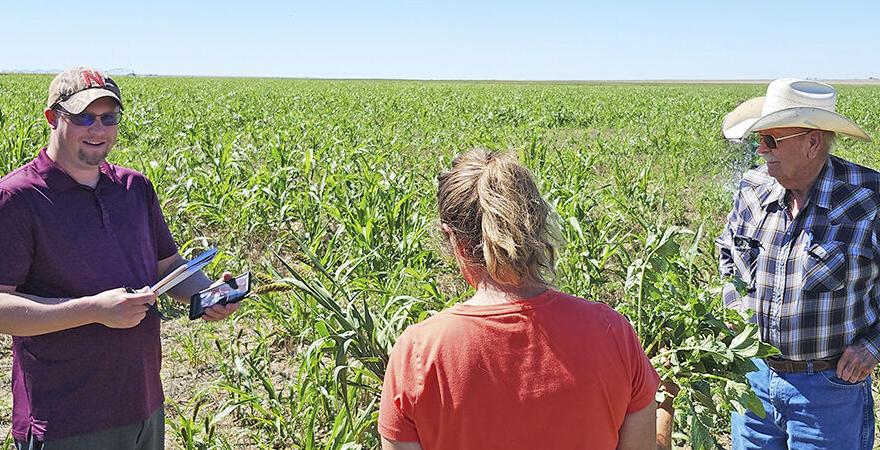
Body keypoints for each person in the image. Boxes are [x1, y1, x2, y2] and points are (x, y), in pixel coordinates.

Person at [0, 66, 240, 449]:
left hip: (143, 404)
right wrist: (93, 310)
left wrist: (207, 294)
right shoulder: (18, 198)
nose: (98, 129)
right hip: (65, 420)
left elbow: (168, 266)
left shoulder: (134, 188)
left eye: (108, 117)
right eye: (83, 117)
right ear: (52, 117)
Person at [378, 149, 659, 450]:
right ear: (536, 224)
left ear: (454, 239)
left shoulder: (419, 354)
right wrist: (665, 411)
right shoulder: (612, 333)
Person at [718, 78, 878, 449]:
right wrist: (732, 307)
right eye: (759, 139)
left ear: (812, 143)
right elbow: (727, 253)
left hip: (830, 390)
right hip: (753, 381)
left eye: (771, 139)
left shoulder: (868, 198)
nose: (761, 149)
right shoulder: (752, 188)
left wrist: (872, 346)